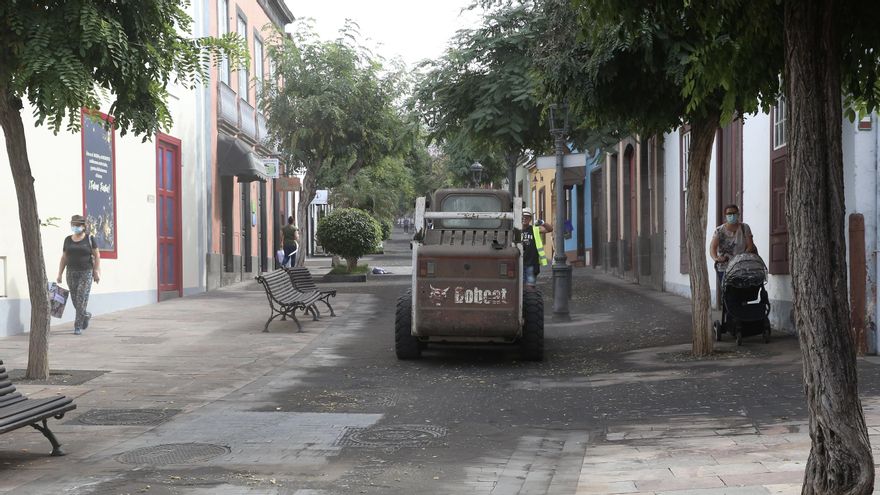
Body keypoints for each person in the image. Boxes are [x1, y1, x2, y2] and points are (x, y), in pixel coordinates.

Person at [56, 214, 100, 335]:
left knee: (81, 298)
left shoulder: (90, 239)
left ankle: (78, 326)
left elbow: (97, 255)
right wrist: (59, 273)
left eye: (77, 225)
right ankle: (85, 315)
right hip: (71, 272)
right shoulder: (67, 240)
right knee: (75, 300)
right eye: (73, 225)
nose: (75, 227)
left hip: (86, 272)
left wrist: (96, 271)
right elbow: (64, 257)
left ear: (83, 226)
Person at [709, 204, 755, 287]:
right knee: (727, 294)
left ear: (738, 215)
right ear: (725, 216)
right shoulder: (719, 230)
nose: (732, 216)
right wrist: (716, 258)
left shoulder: (745, 228)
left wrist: (740, 258)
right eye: (729, 214)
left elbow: (750, 246)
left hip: (741, 268)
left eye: (734, 213)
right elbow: (713, 247)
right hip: (724, 268)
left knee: (742, 294)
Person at [521, 207, 553, 288]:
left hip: (531, 263)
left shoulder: (535, 229)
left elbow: (550, 229)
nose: (524, 219)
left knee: (530, 287)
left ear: (530, 219)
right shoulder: (516, 230)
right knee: (520, 288)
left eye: (527, 217)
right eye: (523, 217)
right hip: (519, 263)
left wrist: (542, 222)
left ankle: (530, 300)